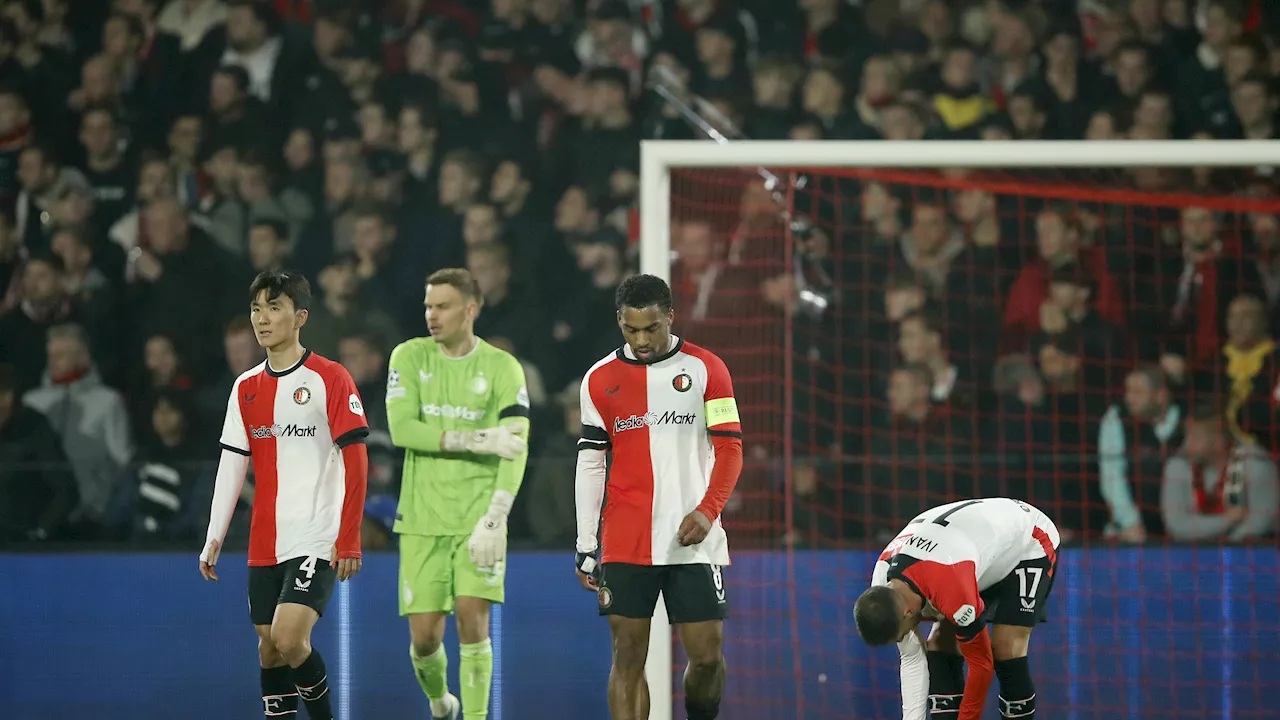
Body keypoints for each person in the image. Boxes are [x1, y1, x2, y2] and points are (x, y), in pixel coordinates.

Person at [198, 270, 370, 720]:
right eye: (257, 308)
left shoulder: (330, 377)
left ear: (300, 317)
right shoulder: (245, 387)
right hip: (265, 540)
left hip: (317, 535)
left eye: (274, 308)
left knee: (291, 637)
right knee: (270, 649)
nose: (262, 318)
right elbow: (233, 464)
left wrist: (349, 537)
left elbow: (356, 461)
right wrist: (215, 534)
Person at [574, 274, 744, 720]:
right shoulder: (598, 379)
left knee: (707, 658)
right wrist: (585, 542)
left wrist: (709, 512)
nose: (642, 339)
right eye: (631, 330)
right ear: (620, 321)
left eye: (651, 328)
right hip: (627, 538)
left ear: (670, 316)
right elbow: (591, 464)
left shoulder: (708, 368)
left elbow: (730, 449)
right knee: (627, 656)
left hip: (693, 537)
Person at [385, 268, 530, 720]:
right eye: (428, 305)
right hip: (422, 519)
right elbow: (402, 429)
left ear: (470, 309)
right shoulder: (408, 357)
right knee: (425, 639)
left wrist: (497, 516)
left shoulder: (503, 367)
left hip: (477, 519)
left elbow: (515, 445)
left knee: (473, 621)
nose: (431, 314)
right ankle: (441, 703)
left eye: (442, 306)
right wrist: (472, 438)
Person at [853, 498, 1061, 720]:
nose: (903, 637)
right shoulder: (881, 585)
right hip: (969, 553)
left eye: (902, 634)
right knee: (940, 645)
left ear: (906, 613)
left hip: (1027, 541)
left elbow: (981, 664)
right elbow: (912, 659)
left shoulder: (949, 583)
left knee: (1005, 648)